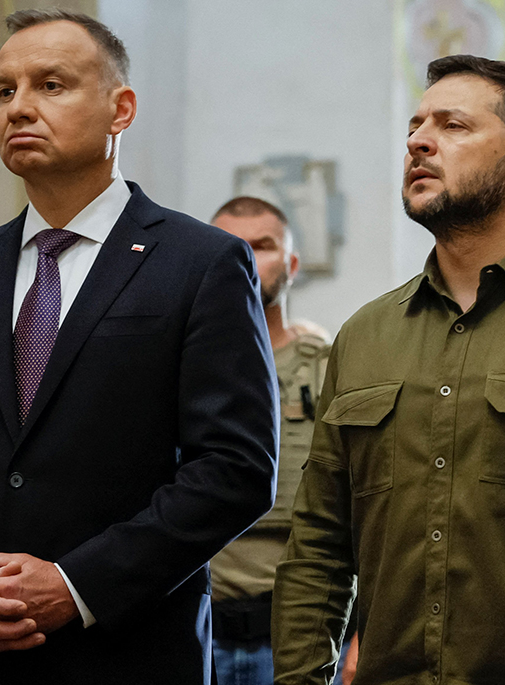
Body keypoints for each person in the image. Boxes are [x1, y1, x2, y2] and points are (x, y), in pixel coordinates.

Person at [0, 10, 278, 684]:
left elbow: (235, 467)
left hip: (125, 650)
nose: (20, 106)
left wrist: (75, 583)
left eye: (51, 85)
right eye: (4, 91)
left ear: (121, 109)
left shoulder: (201, 264)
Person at [271, 55, 505, 685]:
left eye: (454, 126)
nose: (418, 141)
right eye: (416, 125)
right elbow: (320, 547)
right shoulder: (365, 336)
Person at [208, 196, 334, 685]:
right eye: (229, 245)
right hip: (202, 627)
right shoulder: (175, 366)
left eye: (262, 246)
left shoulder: (327, 366)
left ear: (292, 264)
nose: (243, 258)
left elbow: (365, 514)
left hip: (300, 634)